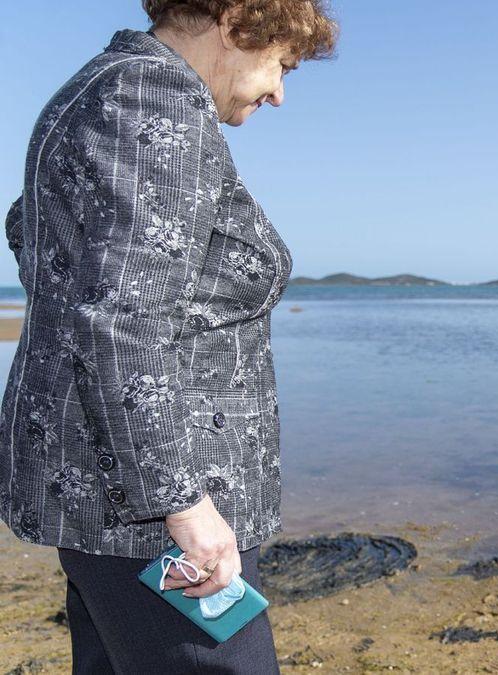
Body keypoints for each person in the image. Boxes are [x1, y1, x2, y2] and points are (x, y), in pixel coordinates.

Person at [1, 1, 337, 671]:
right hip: (151, 514)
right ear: (239, 20)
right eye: (282, 64)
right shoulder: (149, 95)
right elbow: (124, 317)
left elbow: (36, 237)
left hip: (113, 495)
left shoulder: (108, 90)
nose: (279, 92)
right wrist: (180, 504)